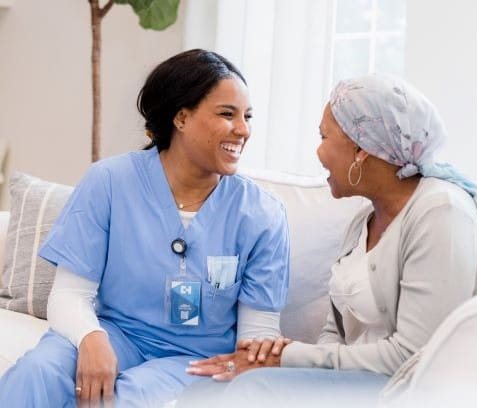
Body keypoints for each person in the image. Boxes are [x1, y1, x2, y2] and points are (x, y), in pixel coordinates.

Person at [178, 74, 477, 407]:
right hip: (353, 384)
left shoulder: (441, 213)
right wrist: (281, 359)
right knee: (209, 385)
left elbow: (414, 356)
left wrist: (287, 358)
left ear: (362, 148)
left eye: (324, 136)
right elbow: (335, 336)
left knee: (255, 388)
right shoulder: (363, 222)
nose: (319, 153)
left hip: (406, 391)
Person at [0, 49, 290, 407]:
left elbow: (257, 333)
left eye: (247, 116)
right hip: (116, 334)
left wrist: (247, 366)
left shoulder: (263, 213)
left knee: (122, 400)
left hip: (195, 359)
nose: (243, 130)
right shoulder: (109, 182)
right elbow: (69, 293)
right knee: (38, 372)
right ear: (181, 117)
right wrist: (91, 338)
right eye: (227, 114)